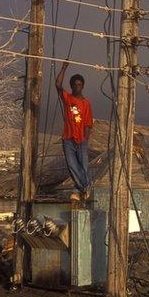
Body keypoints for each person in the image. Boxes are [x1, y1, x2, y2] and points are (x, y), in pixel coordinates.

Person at [56, 60, 93, 202]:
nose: (77, 86)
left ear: (82, 86)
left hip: (81, 139)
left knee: (83, 166)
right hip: (68, 138)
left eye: (79, 84)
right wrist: (64, 68)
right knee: (72, 165)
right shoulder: (68, 98)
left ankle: (79, 189)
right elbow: (58, 85)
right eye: (75, 84)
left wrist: (85, 139)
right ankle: (85, 187)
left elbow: (88, 123)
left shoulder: (86, 103)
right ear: (71, 86)